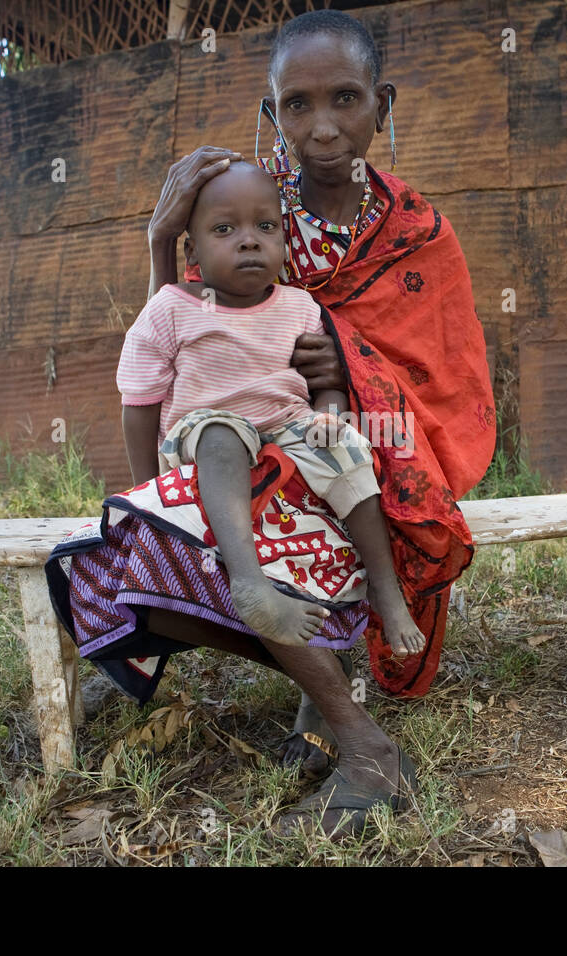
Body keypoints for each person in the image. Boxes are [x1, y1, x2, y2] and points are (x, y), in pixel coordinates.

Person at [47, 9, 495, 837]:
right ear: (271, 113)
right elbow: (177, 332)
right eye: (297, 104)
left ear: (382, 105)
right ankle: (333, 700)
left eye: (346, 99)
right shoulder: (246, 207)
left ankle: (351, 734)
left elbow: (450, 384)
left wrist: (350, 374)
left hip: (366, 463)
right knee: (154, 554)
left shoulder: (419, 237)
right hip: (244, 451)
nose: (322, 127)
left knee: (284, 507)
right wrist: (157, 240)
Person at [117, 159, 429, 658]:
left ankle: (383, 587)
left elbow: (321, 381)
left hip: (285, 430)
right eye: (225, 229)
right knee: (222, 433)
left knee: (347, 446)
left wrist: (329, 415)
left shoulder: (299, 306)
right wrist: (143, 490)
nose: (248, 239)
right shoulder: (172, 307)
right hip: (203, 438)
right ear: (192, 249)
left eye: (265, 226)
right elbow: (139, 401)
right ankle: (249, 583)